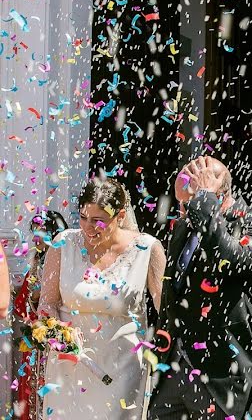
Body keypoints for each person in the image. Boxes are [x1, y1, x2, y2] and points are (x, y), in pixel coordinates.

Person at [148, 156, 252, 420]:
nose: (184, 213)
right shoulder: (186, 226)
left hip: (222, 377)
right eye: (182, 205)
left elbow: (230, 258)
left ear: (217, 196)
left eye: (189, 203)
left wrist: (203, 198)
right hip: (173, 371)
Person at [38, 177, 166, 419]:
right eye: (83, 217)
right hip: (68, 367)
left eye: (98, 221)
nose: (88, 227)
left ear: (119, 216)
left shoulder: (147, 249)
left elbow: (165, 309)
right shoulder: (63, 243)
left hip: (123, 370)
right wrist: (58, 331)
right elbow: (47, 304)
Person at [14, 211, 68, 419]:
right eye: (34, 232)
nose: (36, 238)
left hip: (57, 338)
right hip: (38, 340)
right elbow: (22, 308)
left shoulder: (64, 264)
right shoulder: (37, 264)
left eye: (40, 232)